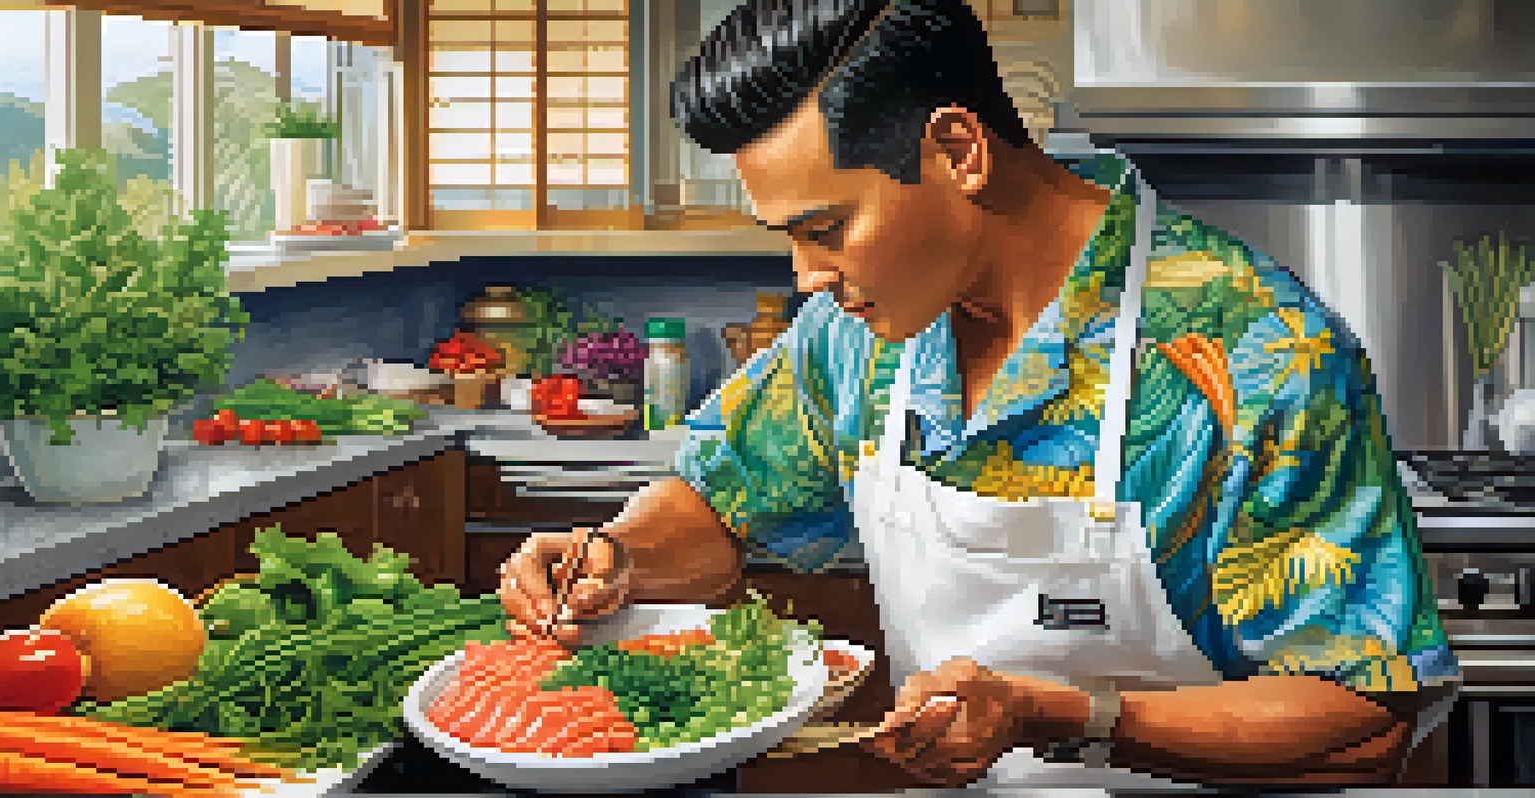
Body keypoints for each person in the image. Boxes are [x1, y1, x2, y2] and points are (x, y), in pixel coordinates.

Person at [498, 0, 1461, 788]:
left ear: (958, 149)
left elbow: (1364, 716)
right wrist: (619, 555)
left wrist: (1063, 717)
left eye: (827, 228)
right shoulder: (853, 336)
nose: (805, 276)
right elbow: (724, 499)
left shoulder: (1260, 351)